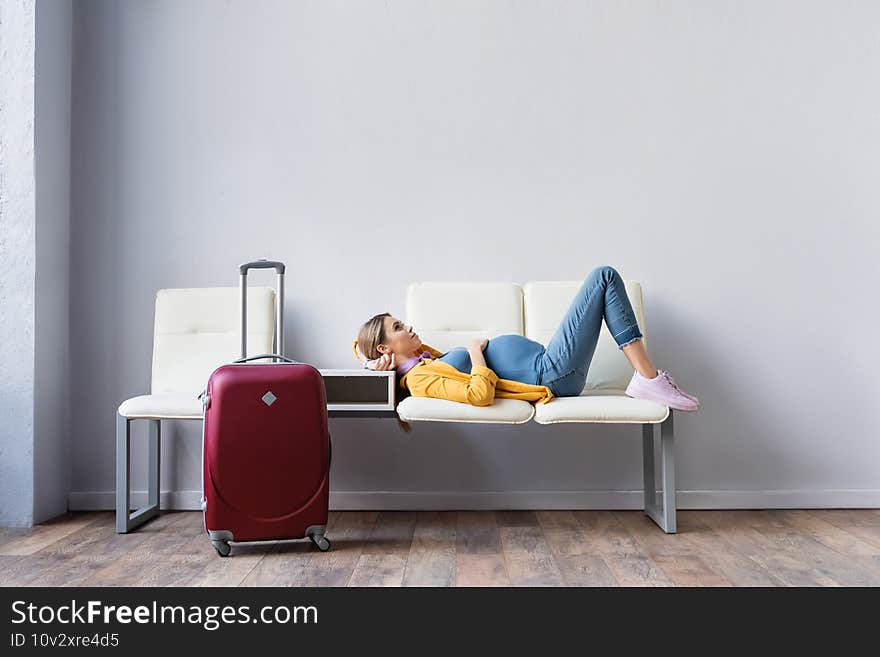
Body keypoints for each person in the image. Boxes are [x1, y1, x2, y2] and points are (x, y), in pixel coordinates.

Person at [352, 265, 699, 411]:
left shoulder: (423, 361)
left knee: (603, 279)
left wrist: (372, 364)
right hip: (550, 373)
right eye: (398, 327)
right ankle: (649, 378)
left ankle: (648, 379)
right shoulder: (421, 378)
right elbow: (478, 394)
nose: (408, 327)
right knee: (603, 276)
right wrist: (475, 352)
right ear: (385, 345)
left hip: (550, 363)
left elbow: (369, 349)